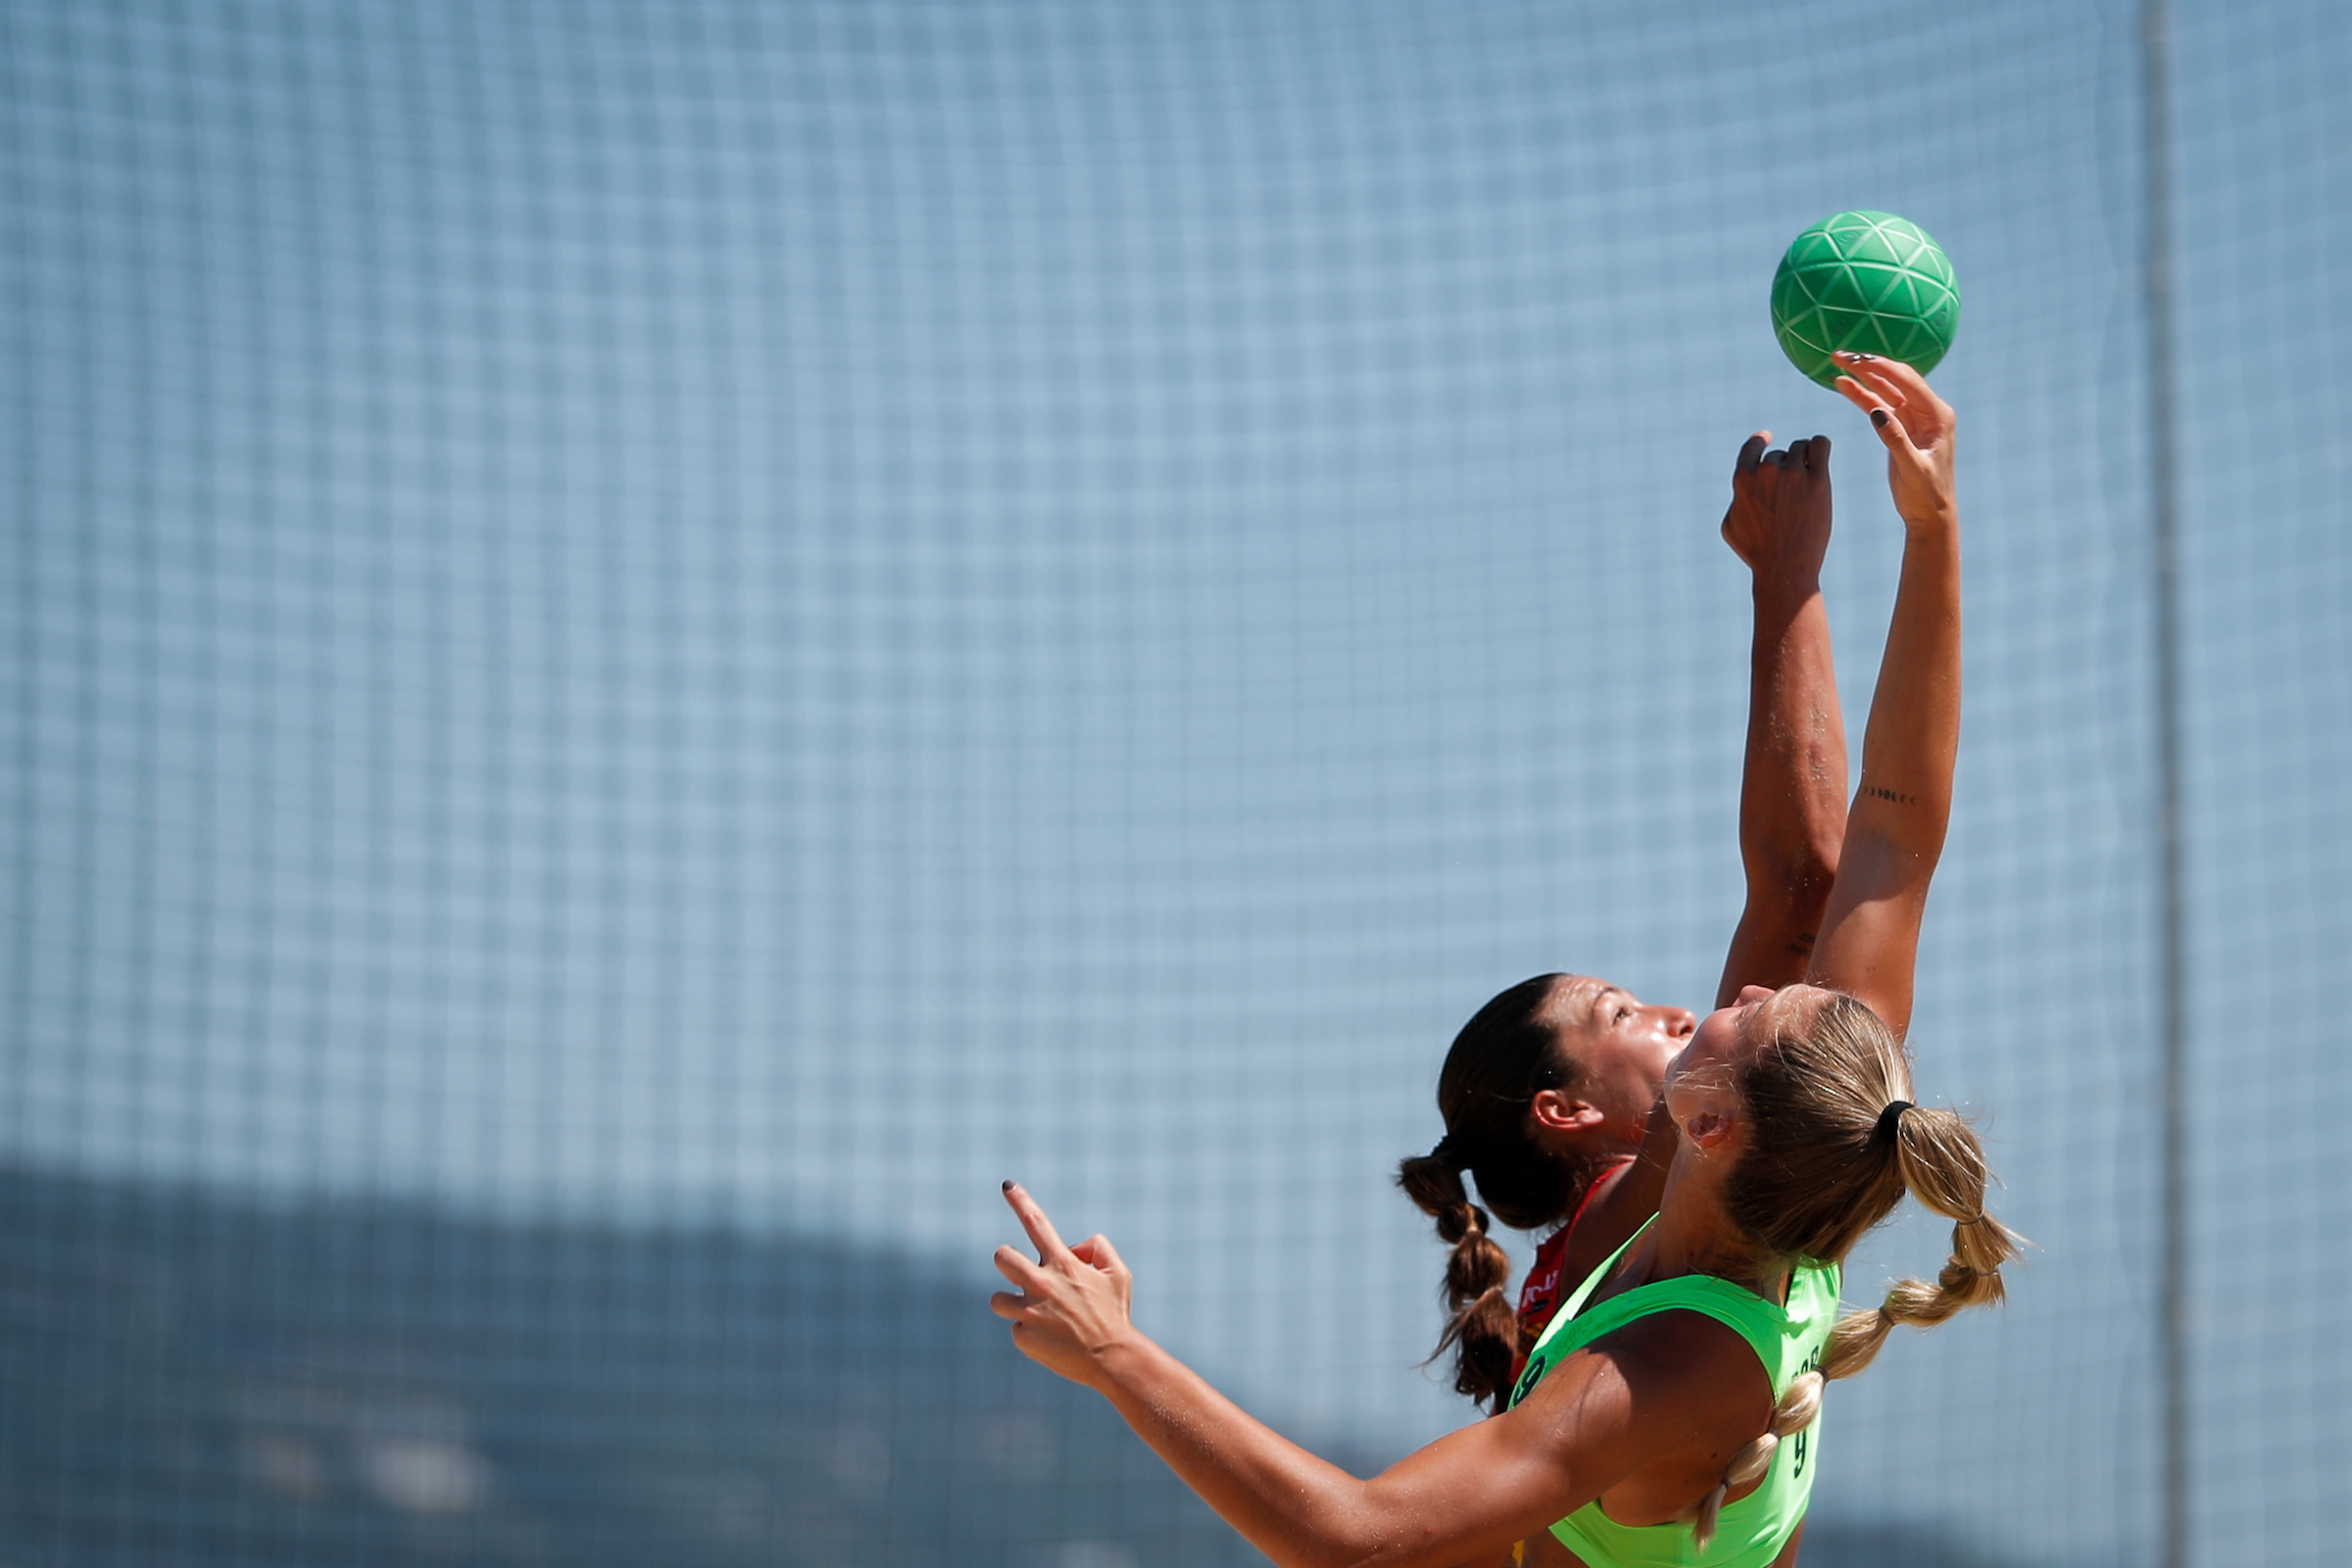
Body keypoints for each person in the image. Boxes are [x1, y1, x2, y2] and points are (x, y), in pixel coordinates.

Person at [992, 355, 2018, 1568]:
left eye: (1750, 1015)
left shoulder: (1673, 1357)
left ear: (1714, 1120)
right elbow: (1896, 826)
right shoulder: (1791, 1164)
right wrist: (1932, 520)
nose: (1730, 992)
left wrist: (1115, 1351)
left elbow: (1360, 1543)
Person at [1398, 405, 1853, 1412]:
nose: (1676, 1015)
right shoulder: (1646, 1199)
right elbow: (1801, 884)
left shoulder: (1598, 1258)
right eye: (1622, 1014)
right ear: (1566, 1112)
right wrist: (1786, 578)